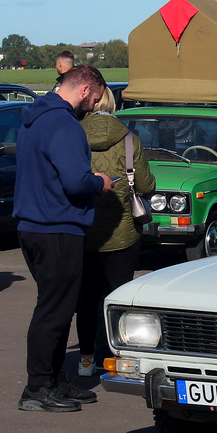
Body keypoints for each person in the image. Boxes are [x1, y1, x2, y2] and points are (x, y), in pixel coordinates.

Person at [15, 65, 112, 413]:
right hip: (57, 226)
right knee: (54, 310)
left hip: (33, 224)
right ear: (85, 89)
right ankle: (38, 386)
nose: (94, 106)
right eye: (95, 99)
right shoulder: (65, 125)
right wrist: (99, 182)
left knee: (56, 305)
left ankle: (54, 379)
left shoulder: (34, 120)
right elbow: (75, 181)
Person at [76, 86, 155, 377]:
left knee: (87, 299)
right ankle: (118, 358)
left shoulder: (73, 136)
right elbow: (146, 186)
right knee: (119, 298)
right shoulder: (128, 139)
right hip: (122, 233)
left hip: (84, 231)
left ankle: (85, 359)